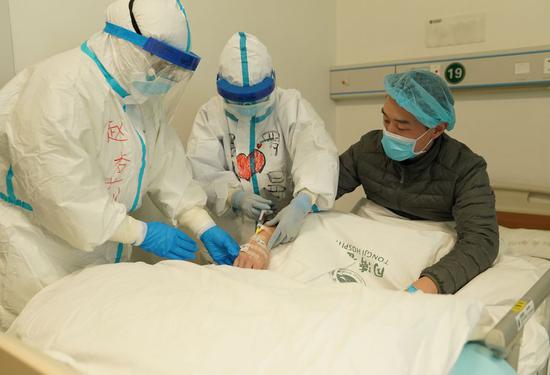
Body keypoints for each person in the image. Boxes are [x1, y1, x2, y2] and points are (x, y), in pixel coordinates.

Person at [0, 0, 239, 330]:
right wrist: (141, 232)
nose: (161, 75)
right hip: (39, 257)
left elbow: (167, 165)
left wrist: (201, 223)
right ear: (125, 41)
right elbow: (64, 195)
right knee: (35, 348)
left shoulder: (139, 100)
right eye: (157, 61)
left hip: (100, 259)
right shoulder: (59, 87)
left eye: (169, 68)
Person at [337, 70, 499, 295]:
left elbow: (481, 241)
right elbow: (324, 184)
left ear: (437, 129)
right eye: (386, 120)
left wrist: (425, 288)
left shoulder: (465, 168)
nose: (390, 132)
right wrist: (300, 201)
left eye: (402, 126)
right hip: (368, 239)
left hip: (423, 250)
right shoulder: (368, 149)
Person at [187, 32, 338, 247]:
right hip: (233, 233)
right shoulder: (210, 115)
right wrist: (234, 197)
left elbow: (317, 154)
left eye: (256, 98)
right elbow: (201, 168)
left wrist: (302, 202)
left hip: (287, 228)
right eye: (238, 100)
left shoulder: (291, 106)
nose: (248, 106)